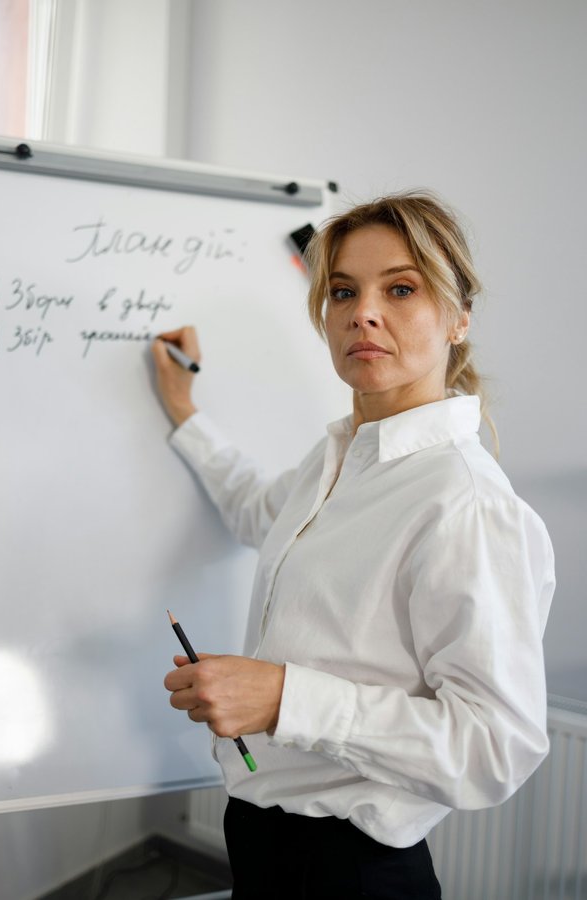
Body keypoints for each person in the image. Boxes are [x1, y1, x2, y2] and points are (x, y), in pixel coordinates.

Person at [153, 191, 555, 900]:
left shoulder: (464, 502)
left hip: (351, 872)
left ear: (459, 317)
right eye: (343, 291)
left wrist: (286, 698)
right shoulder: (341, 457)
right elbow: (255, 509)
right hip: (263, 841)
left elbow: (495, 750)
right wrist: (184, 412)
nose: (363, 313)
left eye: (400, 289)